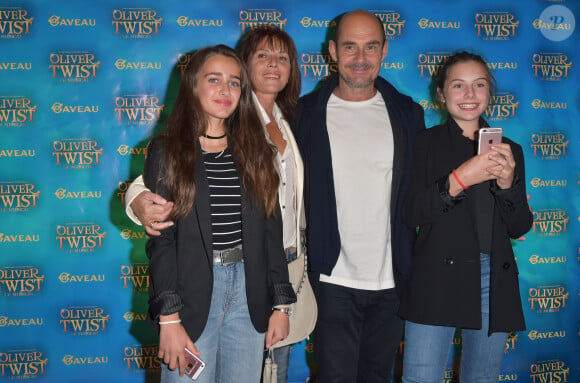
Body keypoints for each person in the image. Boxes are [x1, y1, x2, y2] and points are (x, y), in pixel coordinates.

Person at [125, 27, 316, 383]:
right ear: (193, 86)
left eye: (233, 82)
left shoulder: (256, 149)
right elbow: (162, 242)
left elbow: (271, 230)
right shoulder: (167, 150)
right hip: (192, 291)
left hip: (251, 291)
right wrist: (169, 318)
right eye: (214, 80)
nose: (225, 90)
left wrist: (280, 305)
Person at [292, 10, 425, 382]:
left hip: (392, 278)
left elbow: (428, 186)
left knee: (377, 376)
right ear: (332, 51)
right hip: (332, 276)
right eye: (350, 47)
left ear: (384, 51)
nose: (360, 58)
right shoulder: (304, 114)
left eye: (370, 47)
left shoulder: (408, 113)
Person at [399, 51, 533, 382]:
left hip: (493, 279)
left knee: (482, 378)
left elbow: (519, 226)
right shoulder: (421, 144)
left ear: (490, 92)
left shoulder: (510, 150)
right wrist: (460, 179)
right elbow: (411, 213)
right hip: (436, 275)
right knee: (420, 377)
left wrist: (506, 186)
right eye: (458, 85)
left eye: (479, 85)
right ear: (441, 94)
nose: (470, 95)